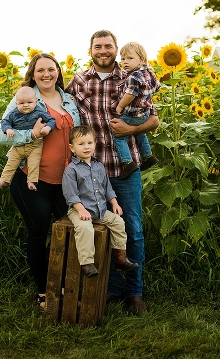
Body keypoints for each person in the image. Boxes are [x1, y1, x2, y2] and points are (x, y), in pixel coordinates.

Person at [66, 30, 159, 315]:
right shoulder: (80, 81)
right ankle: (109, 289)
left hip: (125, 167)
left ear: (116, 49)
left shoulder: (132, 75)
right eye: (98, 46)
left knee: (132, 228)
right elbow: (60, 110)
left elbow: (153, 119)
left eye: (108, 46)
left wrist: (131, 129)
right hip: (92, 173)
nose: (103, 50)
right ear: (90, 50)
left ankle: (134, 291)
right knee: (99, 229)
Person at [0, 53, 81, 310]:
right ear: (33, 73)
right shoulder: (24, 98)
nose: (46, 74)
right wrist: (29, 134)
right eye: (40, 70)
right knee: (39, 233)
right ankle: (44, 291)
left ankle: (65, 283)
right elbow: (1, 136)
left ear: (58, 72)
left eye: (51, 69)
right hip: (32, 179)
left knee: (70, 232)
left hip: (66, 180)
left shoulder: (69, 99)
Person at [62, 125, 139, 277]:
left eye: (89, 143)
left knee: (118, 222)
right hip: (79, 211)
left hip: (100, 210)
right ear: (72, 148)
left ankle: (120, 259)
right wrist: (81, 209)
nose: (86, 147)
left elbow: (107, 188)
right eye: (81, 144)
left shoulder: (99, 166)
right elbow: (71, 194)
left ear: (95, 144)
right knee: (85, 228)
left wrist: (115, 203)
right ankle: (87, 263)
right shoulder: (71, 170)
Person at [0, 85, 56, 190]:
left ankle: (31, 182)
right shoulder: (13, 114)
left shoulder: (39, 112)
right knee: (11, 163)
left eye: (29, 102)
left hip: (35, 145)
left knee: (34, 163)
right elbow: (5, 122)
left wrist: (48, 128)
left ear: (35, 102)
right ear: (16, 103)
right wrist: (8, 129)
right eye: (21, 103)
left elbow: (51, 120)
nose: (26, 105)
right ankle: (4, 180)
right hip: (18, 146)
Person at [114, 42, 161, 179]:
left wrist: (120, 106)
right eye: (123, 59)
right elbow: (157, 87)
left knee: (118, 136)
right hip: (145, 113)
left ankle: (127, 163)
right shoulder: (150, 74)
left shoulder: (134, 77)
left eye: (130, 58)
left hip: (132, 113)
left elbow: (130, 94)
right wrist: (147, 96)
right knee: (141, 133)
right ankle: (148, 156)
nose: (125, 62)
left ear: (141, 59)